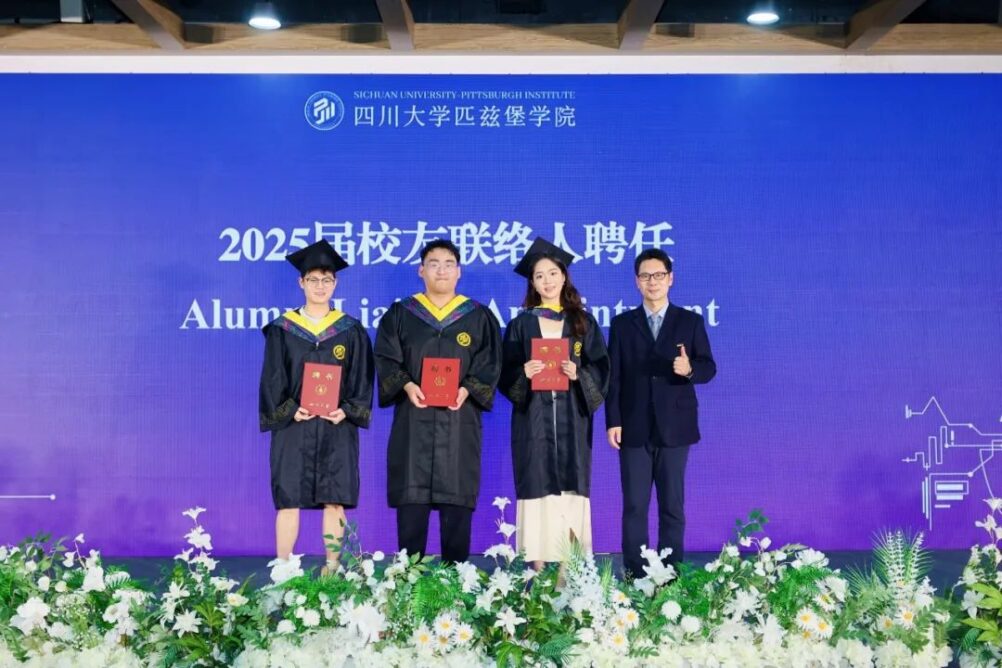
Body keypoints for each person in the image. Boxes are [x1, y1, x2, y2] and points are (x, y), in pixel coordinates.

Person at [374, 239, 502, 563]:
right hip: (413, 427)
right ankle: (407, 584)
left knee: (456, 506)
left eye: (448, 264)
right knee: (411, 509)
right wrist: (406, 385)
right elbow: (387, 358)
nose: (441, 270)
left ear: (459, 271)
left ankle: (455, 584)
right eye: (433, 263)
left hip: (459, 425)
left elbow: (489, 363)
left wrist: (468, 389)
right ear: (421, 270)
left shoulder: (478, 317)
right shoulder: (401, 314)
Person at [259, 240, 374, 574]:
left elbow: (362, 377)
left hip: (336, 426)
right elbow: (272, 378)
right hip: (294, 426)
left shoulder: (350, 330)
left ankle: (331, 569)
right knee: (288, 498)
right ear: (301, 283)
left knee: (334, 497)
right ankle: (283, 571)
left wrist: (347, 410)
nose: (320, 286)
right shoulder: (283, 329)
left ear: (335, 284)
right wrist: (288, 410)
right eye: (313, 280)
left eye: (326, 280)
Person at [499, 238, 609, 571]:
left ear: (564, 277)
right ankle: (537, 575)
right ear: (532, 284)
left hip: (572, 422)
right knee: (537, 493)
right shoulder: (521, 325)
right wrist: (524, 372)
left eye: (552, 273)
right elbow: (504, 372)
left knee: (571, 494)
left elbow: (601, 367)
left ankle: (568, 574)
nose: (546, 281)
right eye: (539, 276)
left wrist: (579, 374)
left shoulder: (582, 323)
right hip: (534, 423)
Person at [605, 248, 716, 579]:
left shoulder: (689, 321)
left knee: (672, 506)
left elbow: (709, 367)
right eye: (645, 276)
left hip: (675, 426)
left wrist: (689, 369)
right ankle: (635, 575)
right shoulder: (622, 324)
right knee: (634, 506)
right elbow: (614, 377)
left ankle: (671, 575)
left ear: (670, 279)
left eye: (658, 275)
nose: (652, 282)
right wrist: (613, 420)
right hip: (633, 426)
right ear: (636, 282)